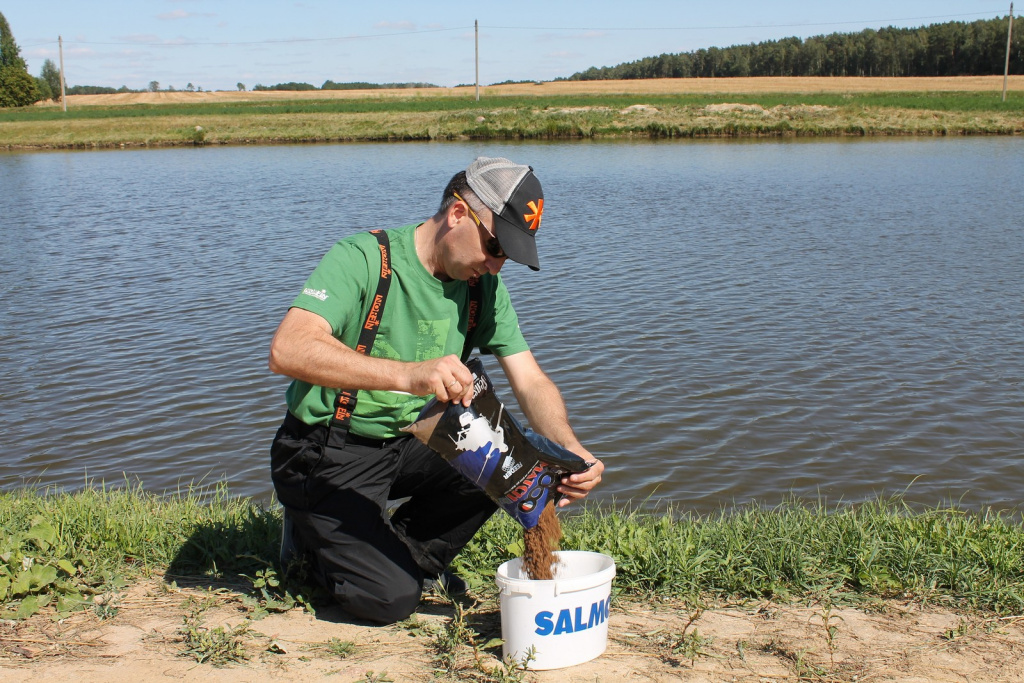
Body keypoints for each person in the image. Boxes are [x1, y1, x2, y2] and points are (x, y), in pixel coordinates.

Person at [267, 156, 604, 625]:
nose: (496, 265)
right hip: (328, 450)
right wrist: (408, 375)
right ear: (459, 213)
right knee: (389, 602)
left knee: (515, 463)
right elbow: (288, 349)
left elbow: (530, 379)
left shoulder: (482, 287)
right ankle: (311, 544)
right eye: (494, 247)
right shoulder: (365, 259)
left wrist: (569, 447)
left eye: (508, 255)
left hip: (410, 442)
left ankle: (397, 557)